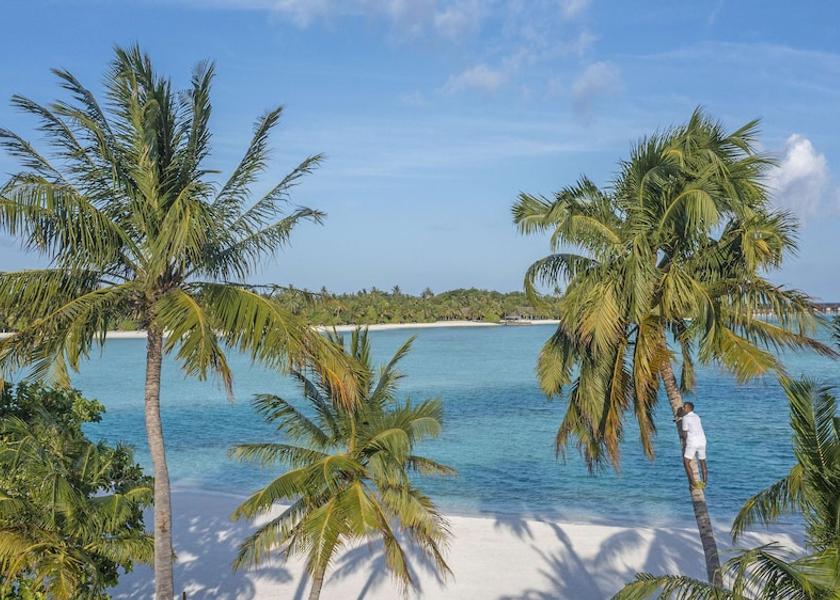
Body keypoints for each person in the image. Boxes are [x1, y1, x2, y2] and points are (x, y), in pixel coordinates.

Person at [679, 402, 707, 489]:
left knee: (686, 462)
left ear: (687, 408)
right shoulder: (697, 417)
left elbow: (684, 434)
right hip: (702, 440)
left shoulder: (685, 418)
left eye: (684, 407)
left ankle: (693, 483)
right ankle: (704, 483)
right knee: (702, 462)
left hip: (693, 441)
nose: (683, 409)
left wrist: (683, 443)